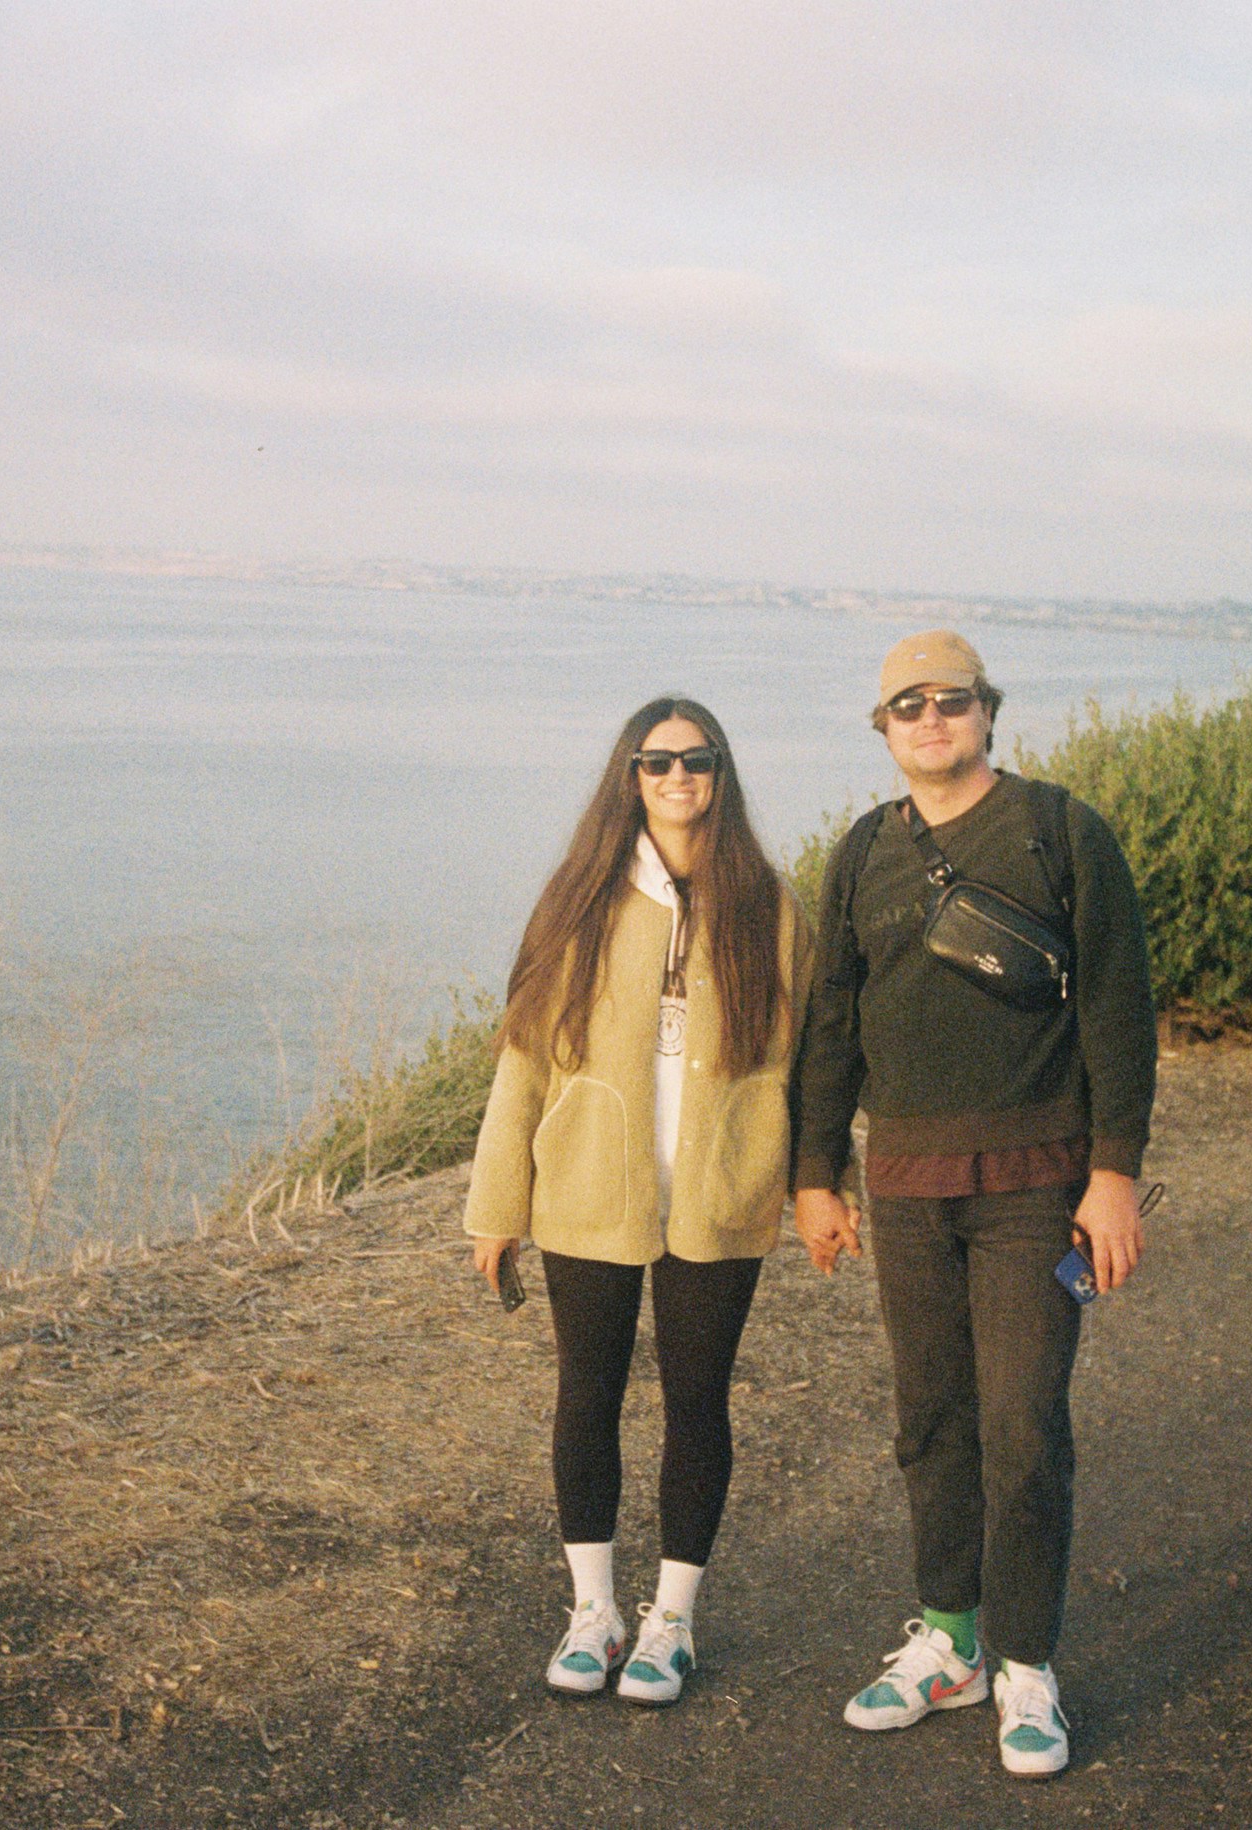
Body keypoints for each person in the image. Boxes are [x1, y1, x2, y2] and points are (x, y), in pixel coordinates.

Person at [790, 631, 1157, 1779]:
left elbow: (1116, 1009)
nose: (930, 718)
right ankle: (946, 1643)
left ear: (987, 714)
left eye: (951, 700)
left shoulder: (1060, 831)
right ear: (883, 729)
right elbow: (831, 1023)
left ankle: (1027, 1663)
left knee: (1022, 1428)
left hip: (1033, 1184)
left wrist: (1113, 1176)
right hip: (902, 1187)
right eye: (908, 705)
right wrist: (813, 1175)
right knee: (931, 1423)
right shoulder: (860, 854)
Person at [465, 696, 810, 1707]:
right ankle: (593, 1611)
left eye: (697, 760)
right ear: (629, 776)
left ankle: (671, 1621)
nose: (677, 777)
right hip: (586, 1194)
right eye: (656, 762)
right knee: (588, 1394)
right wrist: (497, 1207)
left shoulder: (771, 909)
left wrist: (807, 1183)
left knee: (698, 1402)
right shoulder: (575, 900)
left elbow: (805, 1064)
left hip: (718, 1196)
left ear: (721, 774)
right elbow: (522, 1061)